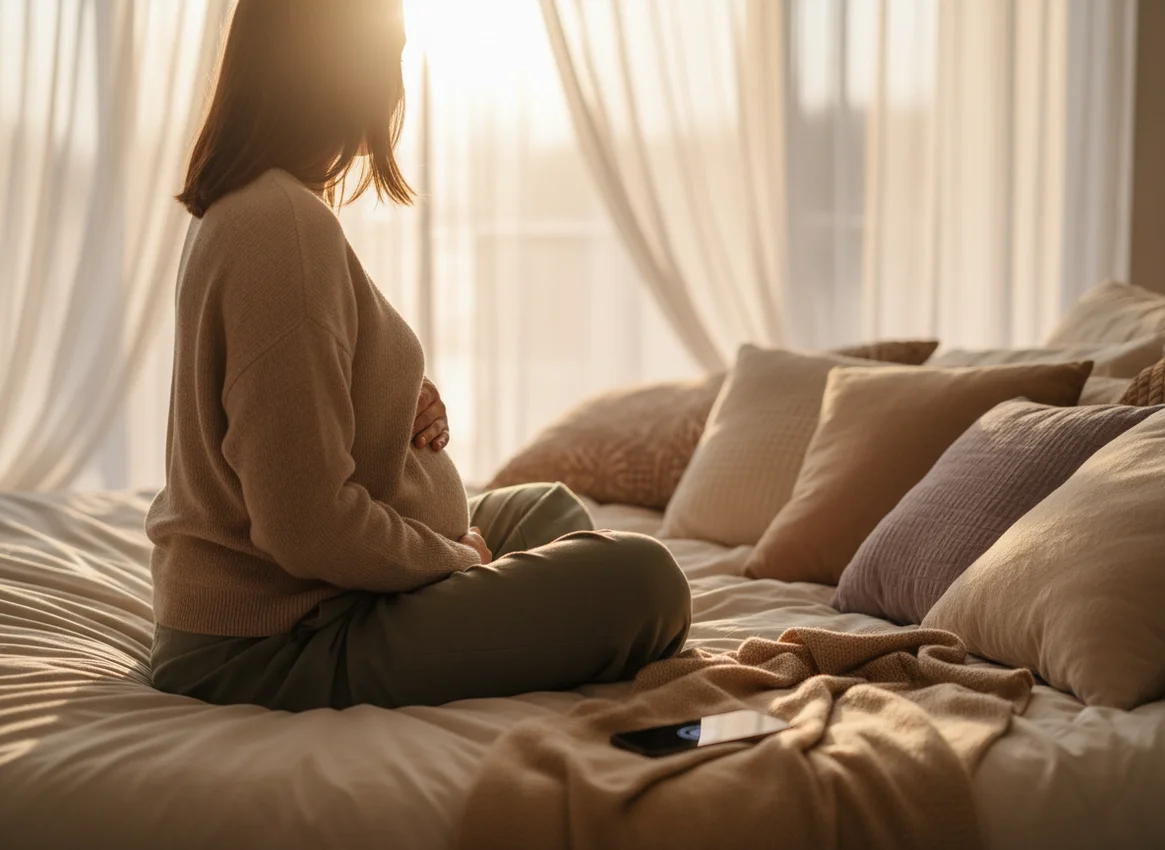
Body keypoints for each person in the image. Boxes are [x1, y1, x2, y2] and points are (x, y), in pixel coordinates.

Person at [146, 0, 691, 712]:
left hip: (302, 602)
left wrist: (389, 392)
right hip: (284, 636)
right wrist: (459, 557)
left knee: (545, 511)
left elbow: (275, 410)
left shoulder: (249, 209)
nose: (397, 79)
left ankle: (530, 626)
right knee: (642, 579)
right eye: (391, 52)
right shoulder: (282, 227)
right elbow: (303, 523)